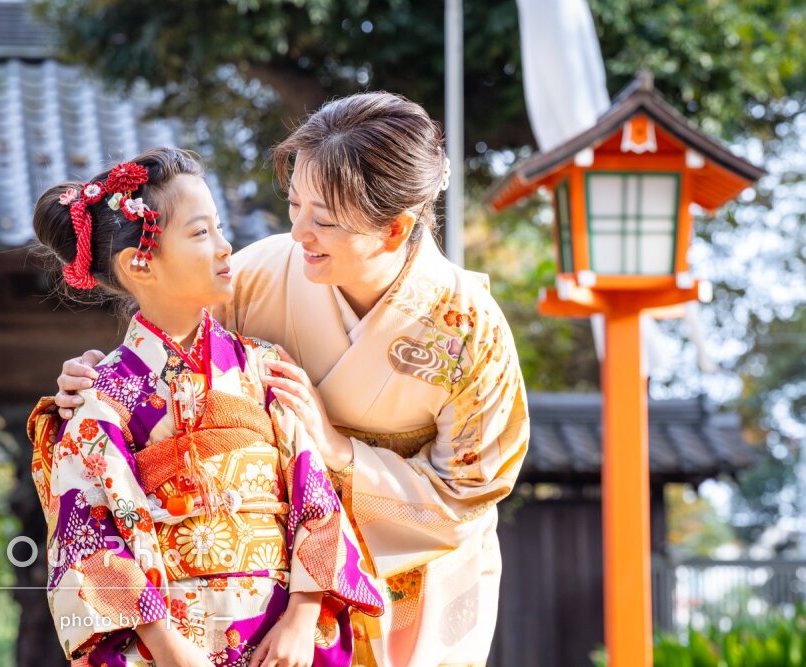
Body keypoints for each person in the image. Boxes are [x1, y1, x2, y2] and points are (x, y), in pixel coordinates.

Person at [54, 93, 530, 667]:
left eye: (323, 220)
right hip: (243, 599)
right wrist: (96, 382)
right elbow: (170, 350)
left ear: (394, 229)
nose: (298, 232)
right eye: (295, 204)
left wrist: (338, 452)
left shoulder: (469, 331)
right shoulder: (260, 274)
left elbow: (466, 493)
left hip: (410, 580)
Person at [28, 147, 383, 667]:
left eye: (219, 227)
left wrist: (302, 618)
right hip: (168, 643)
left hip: (282, 638)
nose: (224, 246)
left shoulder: (264, 366)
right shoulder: (99, 397)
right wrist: (167, 647)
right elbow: (90, 539)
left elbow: (315, 497)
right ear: (139, 262)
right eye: (200, 233)